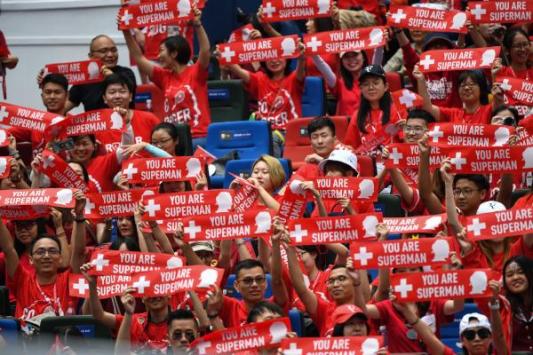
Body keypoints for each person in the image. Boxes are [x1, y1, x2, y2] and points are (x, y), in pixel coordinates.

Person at [122, 5, 211, 146]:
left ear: (174, 53)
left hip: (198, 138)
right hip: (174, 142)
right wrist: (126, 31)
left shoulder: (196, 72)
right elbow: (139, 57)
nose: (158, 56)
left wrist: (197, 24)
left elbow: (205, 50)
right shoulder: (163, 77)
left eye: (162, 51)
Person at [0, 191, 86, 323]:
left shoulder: (68, 281)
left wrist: (79, 216)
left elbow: (79, 252)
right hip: (26, 343)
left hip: (64, 342)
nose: (46, 256)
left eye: (52, 251)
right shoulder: (22, 281)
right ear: (31, 259)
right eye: (40, 252)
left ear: (61, 258)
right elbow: (8, 249)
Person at [381, 109, 436, 215]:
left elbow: (417, 202)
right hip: (395, 221)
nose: (411, 133)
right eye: (408, 128)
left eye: (417, 129)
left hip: (422, 221)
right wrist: (387, 164)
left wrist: (391, 166)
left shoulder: (436, 160)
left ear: (429, 132)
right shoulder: (397, 156)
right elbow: (372, 192)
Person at [205, 259, 286, 328]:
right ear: (236, 286)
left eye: (259, 279)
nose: (254, 284)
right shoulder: (231, 306)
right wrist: (212, 313)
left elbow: (277, 281)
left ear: (265, 283)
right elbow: (202, 281)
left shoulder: (275, 305)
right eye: (247, 280)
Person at [67, 35, 137, 112]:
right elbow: (65, 106)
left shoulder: (127, 73)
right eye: (103, 51)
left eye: (114, 50)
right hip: (95, 123)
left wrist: (112, 76)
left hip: (124, 121)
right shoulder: (84, 79)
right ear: (91, 56)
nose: (110, 55)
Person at [344, 64, 403, 155]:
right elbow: (351, 147)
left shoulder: (399, 111)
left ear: (386, 86)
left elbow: (407, 142)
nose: (371, 88)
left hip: (393, 164)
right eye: (366, 84)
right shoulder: (357, 115)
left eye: (375, 83)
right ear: (361, 89)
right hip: (367, 166)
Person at [415, 66, 504, 124]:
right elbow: (427, 108)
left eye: (472, 84)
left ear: (481, 88)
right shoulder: (453, 113)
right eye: (462, 85)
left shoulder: (489, 110)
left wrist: (495, 76)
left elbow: (499, 99)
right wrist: (421, 79)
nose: (466, 88)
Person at [97, 73, 161, 154]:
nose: (117, 96)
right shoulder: (97, 125)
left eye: (122, 91)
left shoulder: (149, 119)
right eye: (112, 92)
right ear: (104, 98)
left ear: (130, 96)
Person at [294, 116, 353, 181]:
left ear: (334, 139)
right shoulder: (307, 168)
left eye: (324, 136)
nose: (320, 141)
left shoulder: (348, 155)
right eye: (315, 137)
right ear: (311, 143)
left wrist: (323, 161)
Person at [313, 50, 369, 116]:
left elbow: (378, 57)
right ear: (342, 61)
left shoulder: (373, 80)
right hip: (345, 125)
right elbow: (322, 66)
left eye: (355, 55)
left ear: (363, 57)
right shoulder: (339, 84)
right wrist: (313, 53)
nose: (351, 59)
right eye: (346, 56)